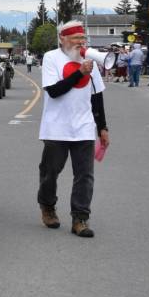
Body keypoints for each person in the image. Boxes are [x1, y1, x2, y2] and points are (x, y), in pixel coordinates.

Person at [37, 21, 110, 238]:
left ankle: (80, 218)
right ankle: (47, 206)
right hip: (56, 127)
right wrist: (79, 73)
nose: (80, 42)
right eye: (75, 38)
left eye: (82, 38)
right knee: (50, 172)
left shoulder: (91, 61)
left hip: (84, 127)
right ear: (62, 39)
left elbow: (97, 96)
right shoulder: (51, 58)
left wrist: (102, 128)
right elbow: (54, 91)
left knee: (85, 175)